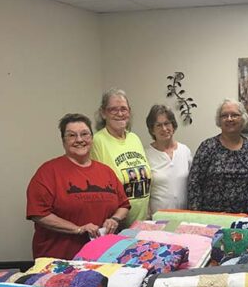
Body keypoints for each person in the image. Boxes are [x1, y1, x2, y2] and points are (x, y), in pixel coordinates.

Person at [27, 113, 130, 260]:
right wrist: (78, 229)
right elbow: (39, 214)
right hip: (60, 259)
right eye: (72, 135)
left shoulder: (106, 171)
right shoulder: (48, 172)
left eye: (84, 134)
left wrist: (115, 219)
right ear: (63, 141)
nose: (79, 140)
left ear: (91, 138)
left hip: (102, 256)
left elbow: (124, 204)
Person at [187, 98, 248, 213]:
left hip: (246, 218)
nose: (229, 119)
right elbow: (194, 183)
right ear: (219, 120)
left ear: (243, 118)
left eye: (234, 115)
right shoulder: (207, 147)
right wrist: (196, 215)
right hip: (212, 218)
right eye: (224, 116)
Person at [91, 88, 151, 225]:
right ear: (103, 113)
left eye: (124, 109)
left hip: (141, 222)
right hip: (115, 223)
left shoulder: (134, 138)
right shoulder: (98, 141)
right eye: (113, 109)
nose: (120, 113)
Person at [145, 104, 192, 215]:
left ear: (173, 126)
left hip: (184, 216)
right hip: (158, 219)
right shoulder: (146, 154)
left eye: (167, 123)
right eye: (159, 125)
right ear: (152, 130)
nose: (164, 129)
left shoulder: (184, 151)